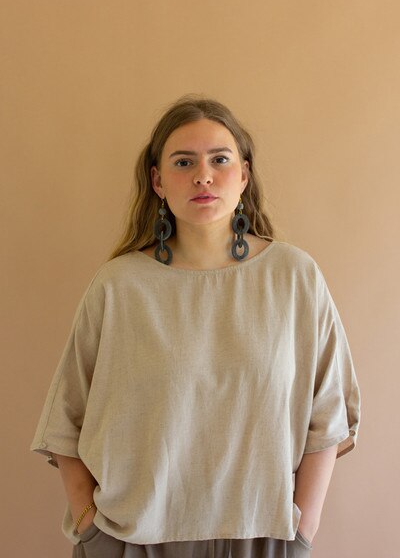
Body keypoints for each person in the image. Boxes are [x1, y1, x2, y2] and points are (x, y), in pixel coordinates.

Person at [31, 95, 361, 558]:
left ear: (243, 175)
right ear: (158, 181)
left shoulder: (294, 277)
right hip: (132, 540)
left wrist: (302, 531)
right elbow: (64, 420)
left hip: (263, 538)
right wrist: (93, 531)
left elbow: (329, 415)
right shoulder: (118, 286)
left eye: (219, 160)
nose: (203, 176)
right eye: (183, 162)